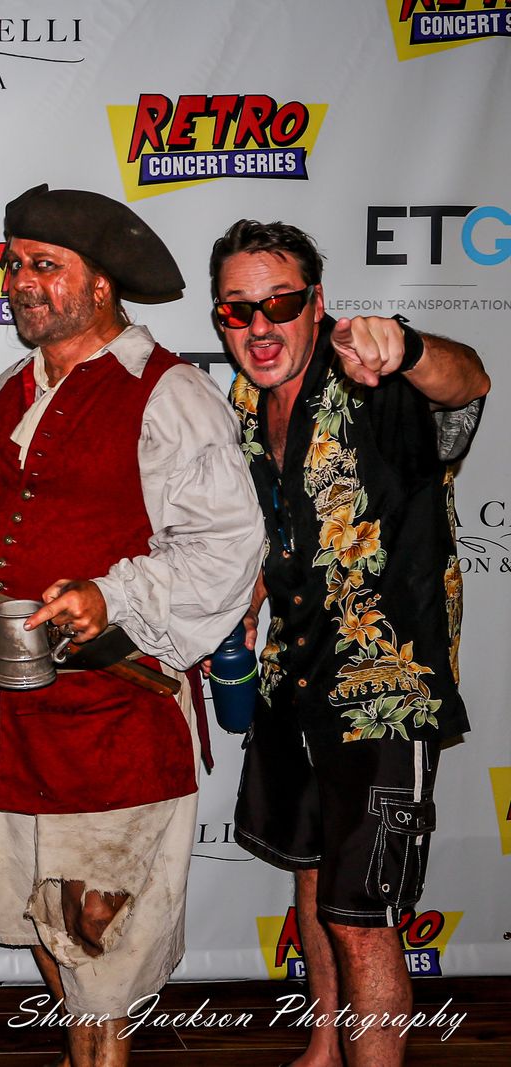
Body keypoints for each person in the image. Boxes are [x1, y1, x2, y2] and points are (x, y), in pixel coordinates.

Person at [0, 185, 264, 1067]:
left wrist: (114, 594)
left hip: (111, 720)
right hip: (10, 717)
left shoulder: (169, 393)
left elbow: (226, 547)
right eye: (15, 264)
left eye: (45, 266)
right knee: (38, 918)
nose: (22, 281)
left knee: (99, 933)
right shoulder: (8, 391)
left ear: (101, 286)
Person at [211, 219, 488, 1067]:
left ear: (316, 301)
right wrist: (243, 604)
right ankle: (325, 1047)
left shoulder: (374, 379)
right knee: (310, 874)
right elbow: (277, 532)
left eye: (280, 303)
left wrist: (407, 347)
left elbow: (467, 383)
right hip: (291, 678)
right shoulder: (244, 406)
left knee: (363, 919)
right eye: (237, 310)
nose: (259, 326)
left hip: (383, 693)